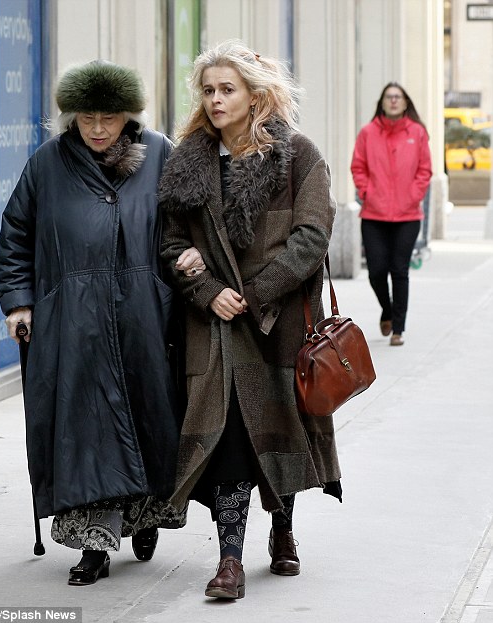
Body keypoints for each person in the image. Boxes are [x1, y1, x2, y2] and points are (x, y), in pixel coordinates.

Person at [0, 61, 199, 586]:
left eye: (109, 117)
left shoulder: (158, 155)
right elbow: (15, 232)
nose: (98, 128)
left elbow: (187, 224)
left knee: (149, 420)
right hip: (72, 323)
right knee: (83, 430)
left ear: (128, 116)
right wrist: (19, 302)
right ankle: (92, 545)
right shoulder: (47, 163)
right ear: (72, 118)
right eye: (87, 118)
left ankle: (147, 517)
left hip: (144, 319)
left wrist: (188, 268)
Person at [158, 40, 342, 601]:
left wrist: (253, 292)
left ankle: (282, 529)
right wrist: (205, 288)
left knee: (281, 432)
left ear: (255, 94)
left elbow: (311, 237)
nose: (215, 100)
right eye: (208, 90)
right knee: (231, 440)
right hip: (213, 329)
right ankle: (229, 560)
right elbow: (168, 243)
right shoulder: (188, 161)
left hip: (280, 322)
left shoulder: (298, 155)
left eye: (226, 89)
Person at [351, 82, 432, 346]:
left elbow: (425, 170)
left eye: (398, 97)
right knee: (376, 271)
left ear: (405, 102)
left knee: (399, 270)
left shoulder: (417, 133)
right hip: (374, 214)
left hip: (408, 216)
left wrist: (413, 195)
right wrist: (367, 192)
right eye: (389, 97)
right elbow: (358, 167)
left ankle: (398, 328)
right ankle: (386, 309)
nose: (394, 101)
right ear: (382, 102)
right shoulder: (368, 133)